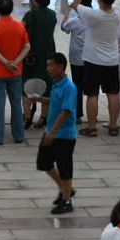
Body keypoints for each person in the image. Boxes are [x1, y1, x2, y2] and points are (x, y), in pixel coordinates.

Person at [70, 0, 120, 137]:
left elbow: (75, 4)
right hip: (112, 60)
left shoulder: (92, 15)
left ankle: (92, 127)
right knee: (113, 93)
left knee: (92, 94)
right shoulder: (118, 13)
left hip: (93, 60)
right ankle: (113, 126)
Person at [34, 53, 78, 215]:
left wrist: (52, 133)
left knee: (65, 169)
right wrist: (40, 100)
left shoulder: (69, 87)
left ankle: (66, 201)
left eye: (50, 65)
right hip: (51, 132)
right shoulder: (57, 84)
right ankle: (66, 189)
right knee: (43, 163)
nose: (48, 69)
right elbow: (55, 102)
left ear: (60, 67)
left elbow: (66, 111)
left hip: (64, 136)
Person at [0, 0, 29, 146]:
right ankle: (19, 134)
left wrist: (5, 62)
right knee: (16, 103)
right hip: (16, 71)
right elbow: (27, 46)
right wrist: (15, 62)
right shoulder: (19, 26)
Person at [20, 0, 56, 128]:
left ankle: (27, 117)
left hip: (32, 54)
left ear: (34, 0)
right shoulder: (52, 14)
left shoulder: (30, 15)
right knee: (47, 84)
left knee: (27, 86)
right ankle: (43, 117)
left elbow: (20, 30)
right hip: (48, 52)